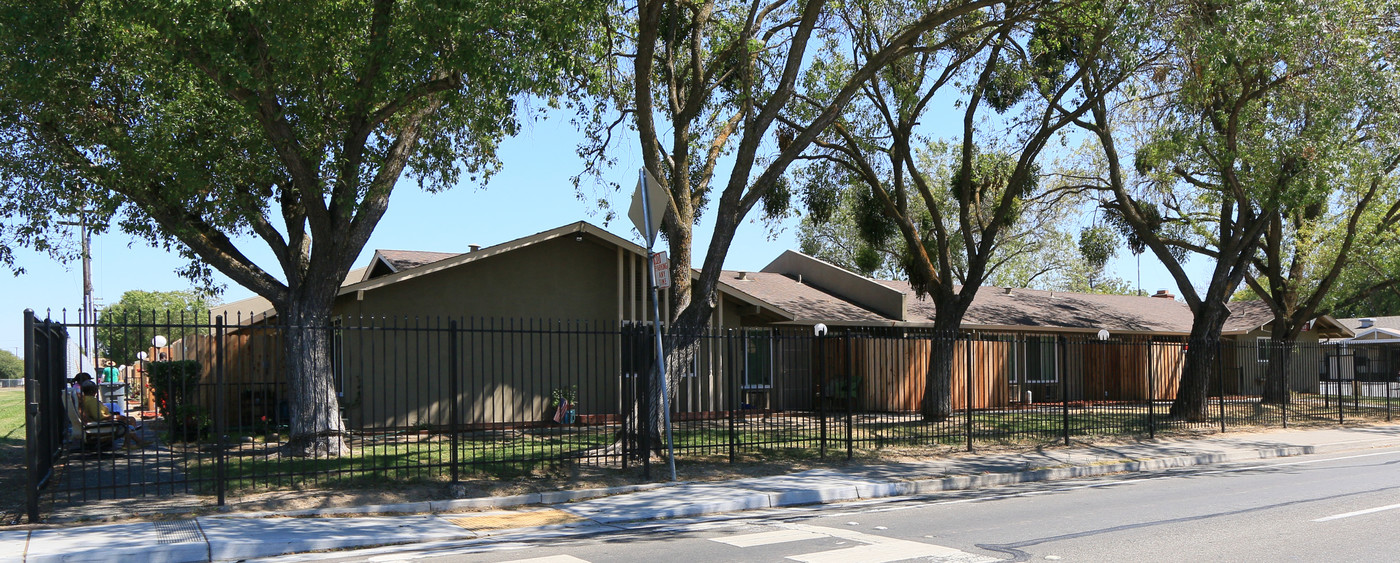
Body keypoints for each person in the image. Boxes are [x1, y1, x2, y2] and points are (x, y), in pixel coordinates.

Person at [79, 381, 147, 449]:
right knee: (130, 420)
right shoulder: (92, 401)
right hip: (101, 425)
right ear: (93, 390)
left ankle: (137, 441)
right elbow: (99, 417)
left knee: (128, 419)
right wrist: (116, 417)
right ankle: (130, 443)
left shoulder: (85, 399)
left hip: (95, 423)